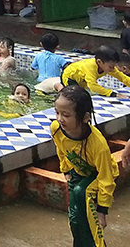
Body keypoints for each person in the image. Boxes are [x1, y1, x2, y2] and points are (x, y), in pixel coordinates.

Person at [51, 85, 119, 247]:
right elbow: (61, 149)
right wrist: (66, 171)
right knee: (75, 218)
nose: (60, 119)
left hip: (99, 175)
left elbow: (106, 178)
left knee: (82, 194)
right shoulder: (56, 129)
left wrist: (102, 210)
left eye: (66, 115)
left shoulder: (98, 145)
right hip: (79, 172)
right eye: (57, 113)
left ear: (85, 117)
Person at [61, 45, 130, 97]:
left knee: (82, 95)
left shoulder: (108, 67)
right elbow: (93, 86)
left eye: (114, 66)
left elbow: (122, 77)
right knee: (75, 96)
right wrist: (112, 94)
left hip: (81, 81)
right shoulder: (90, 67)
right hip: (69, 77)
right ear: (99, 62)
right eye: (111, 67)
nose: (113, 69)